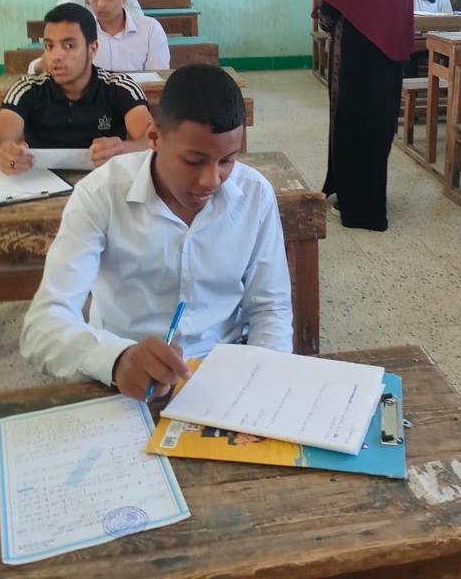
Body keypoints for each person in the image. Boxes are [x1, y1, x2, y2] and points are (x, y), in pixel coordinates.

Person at [21, 64, 293, 401]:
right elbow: (43, 326)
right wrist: (117, 359)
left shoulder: (254, 194)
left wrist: (262, 382)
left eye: (227, 160)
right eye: (193, 161)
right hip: (124, 379)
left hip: (223, 375)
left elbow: (270, 309)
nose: (211, 180)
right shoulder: (101, 194)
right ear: (153, 138)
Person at [0, 2, 153, 395]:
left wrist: (124, 148)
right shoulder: (30, 90)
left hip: (108, 216)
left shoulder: (118, 87)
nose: (56, 56)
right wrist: (4, 154)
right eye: (49, 45)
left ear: (93, 48)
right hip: (37, 207)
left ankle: (129, 364)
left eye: (69, 45)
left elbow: (152, 139)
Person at [316, 0, 414, 232]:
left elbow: (328, 9)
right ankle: (371, 201)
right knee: (378, 127)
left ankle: (355, 206)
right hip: (389, 59)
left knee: (353, 125)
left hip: (356, 60)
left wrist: (328, 21)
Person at [31, 0, 170, 74]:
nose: (101, 4)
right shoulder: (79, 31)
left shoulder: (150, 30)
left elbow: (158, 78)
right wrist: (42, 65)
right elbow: (41, 66)